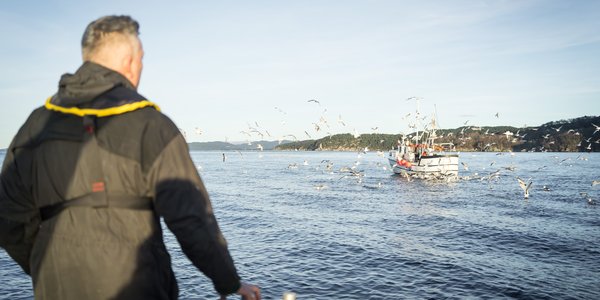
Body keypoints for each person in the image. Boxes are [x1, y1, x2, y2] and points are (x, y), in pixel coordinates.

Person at [0, 15, 260, 300]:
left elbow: (8, 219)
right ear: (129, 61)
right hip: (140, 288)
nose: (141, 67)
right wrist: (229, 281)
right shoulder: (152, 126)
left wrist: (47, 265)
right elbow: (191, 219)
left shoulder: (34, 126)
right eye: (142, 58)